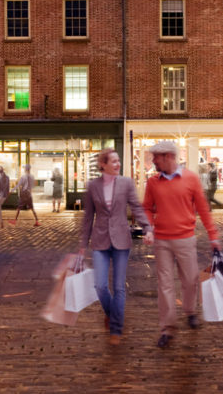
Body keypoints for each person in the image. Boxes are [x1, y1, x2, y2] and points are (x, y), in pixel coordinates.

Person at [143, 141, 219, 348]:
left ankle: (190, 311)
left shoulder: (191, 178)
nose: (153, 161)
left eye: (156, 157)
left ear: (168, 156)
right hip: (162, 240)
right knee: (165, 285)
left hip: (185, 238)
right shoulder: (153, 182)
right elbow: (147, 208)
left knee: (191, 279)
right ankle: (167, 328)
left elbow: (203, 209)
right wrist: (148, 228)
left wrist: (213, 236)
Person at [79, 147, 148, 344]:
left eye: (118, 161)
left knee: (119, 287)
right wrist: (82, 243)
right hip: (100, 240)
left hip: (121, 240)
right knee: (100, 285)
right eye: (114, 161)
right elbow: (88, 216)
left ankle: (116, 328)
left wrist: (147, 228)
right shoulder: (93, 186)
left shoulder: (126, 183)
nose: (118, 164)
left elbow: (135, 206)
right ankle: (111, 313)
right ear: (103, 165)